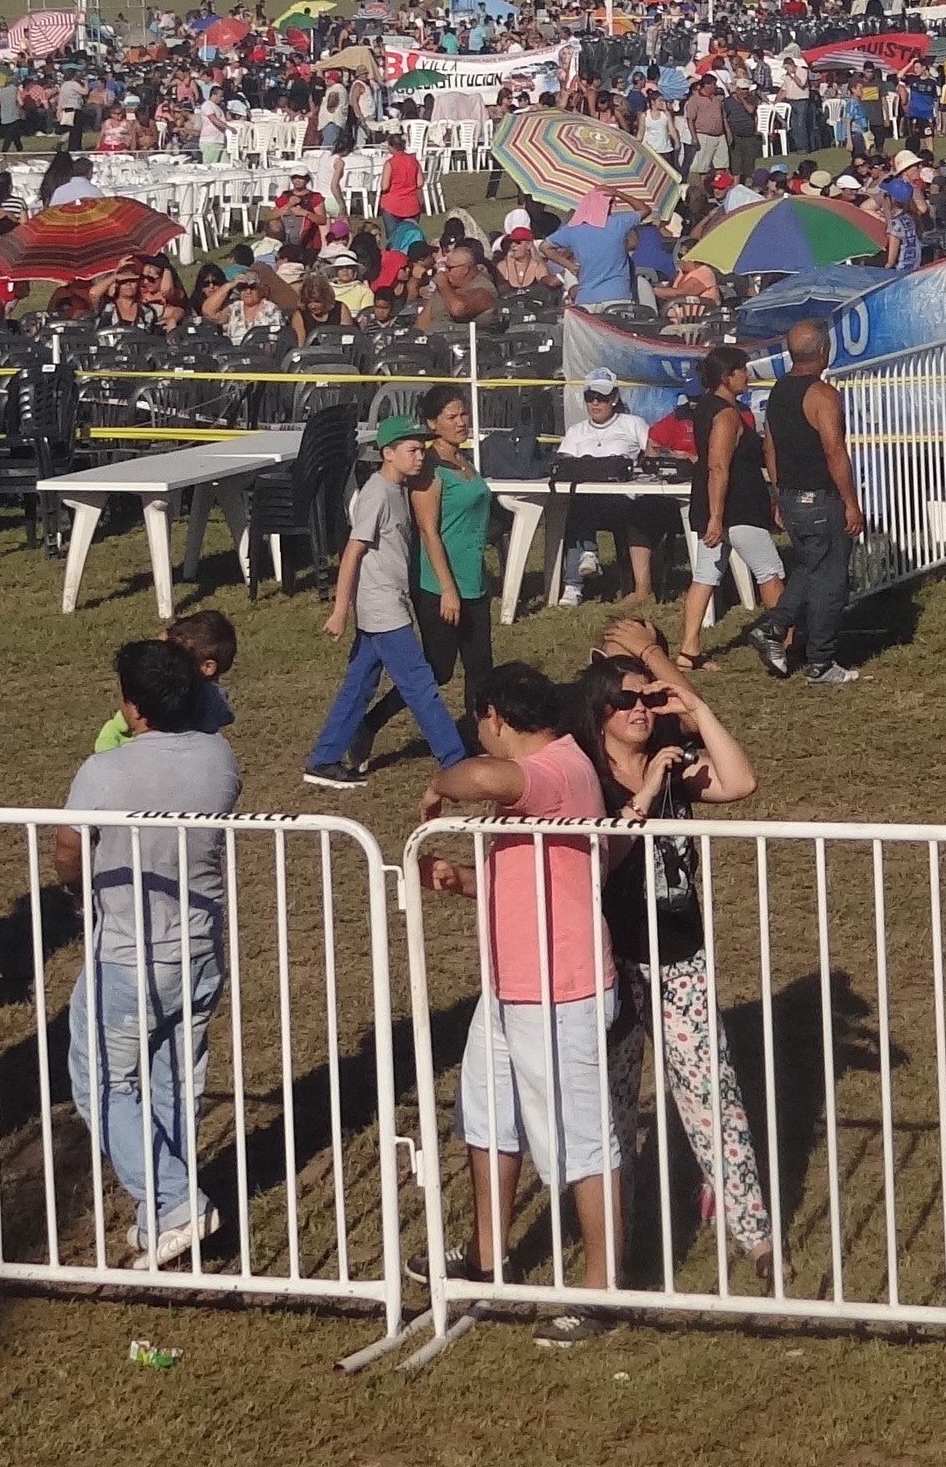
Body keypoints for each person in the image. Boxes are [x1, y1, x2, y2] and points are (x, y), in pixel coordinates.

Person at [418, 662, 623, 1342]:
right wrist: (462, 880)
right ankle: (487, 1257)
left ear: (494, 717)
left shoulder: (556, 768)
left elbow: (479, 779)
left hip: (561, 989)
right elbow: (539, 872)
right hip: (511, 986)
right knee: (486, 1118)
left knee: (581, 1139)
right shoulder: (551, 776)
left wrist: (438, 783)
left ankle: (602, 1289)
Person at [579, 621, 771, 1277]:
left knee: (713, 1093)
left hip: (680, 954)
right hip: (613, 960)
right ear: (599, 710)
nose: (640, 709)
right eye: (626, 700)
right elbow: (598, 852)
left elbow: (740, 782)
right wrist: (641, 794)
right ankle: (617, 1250)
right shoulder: (587, 779)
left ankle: (756, 1236)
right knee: (614, 1108)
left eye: (647, 699)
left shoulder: (672, 762)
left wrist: (694, 707)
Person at [57, 637, 243, 1265]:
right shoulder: (220, 759)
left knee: (102, 1083)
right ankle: (163, 1213)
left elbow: (66, 849)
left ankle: (173, 1201)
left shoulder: (104, 770)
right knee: (174, 1081)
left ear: (132, 707)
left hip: (129, 953)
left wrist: (76, 888)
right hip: (199, 947)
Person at [302, 419, 470, 788]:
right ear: (388, 454)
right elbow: (352, 553)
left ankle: (323, 759)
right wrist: (340, 611)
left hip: (390, 601)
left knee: (359, 685)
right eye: (412, 450)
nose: (420, 456)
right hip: (382, 607)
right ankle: (455, 760)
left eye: (421, 449)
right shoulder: (376, 494)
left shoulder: (398, 489)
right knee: (420, 684)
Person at [763, 317, 865, 685]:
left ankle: (773, 626)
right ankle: (821, 661)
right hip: (821, 499)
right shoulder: (822, 395)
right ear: (824, 350)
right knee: (831, 581)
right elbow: (835, 451)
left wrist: (779, 494)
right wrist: (850, 502)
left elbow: (770, 446)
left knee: (811, 567)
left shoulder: (778, 391)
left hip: (791, 496)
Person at [678, 344, 783, 664]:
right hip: (736, 508)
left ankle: (688, 649)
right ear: (727, 376)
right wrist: (716, 516)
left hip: (717, 506)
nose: (747, 376)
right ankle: (783, 640)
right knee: (770, 572)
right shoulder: (725, 414)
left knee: (705, 575)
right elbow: (718, 466)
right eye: (742, 370)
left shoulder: (708, 407)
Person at [405, 386, 498, 701]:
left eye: (464, 414)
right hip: (438, 585)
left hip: (474, 582)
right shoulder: (429, 469)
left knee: (481, 669)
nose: (461, 422)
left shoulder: (462, 459)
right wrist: (447, 590)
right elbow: (427, 531)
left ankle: (478, 729)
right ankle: (372, 721)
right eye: (452, 417)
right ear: (433, 423)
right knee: (438, 669)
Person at [549, 370, 660, 605]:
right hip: (585, 500)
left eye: (602, 397)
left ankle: (582, 566)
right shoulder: (576, 431)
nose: (596, 403)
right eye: (590, 397)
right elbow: (565, 465)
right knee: (576, 504)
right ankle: (574, 583)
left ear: (614, 398)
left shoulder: (633, 424)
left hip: (624, 502)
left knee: (583, 504)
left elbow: (653, 453)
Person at [543, 185, 648, 316]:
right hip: (617, 296)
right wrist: (618, 193)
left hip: (586, 299)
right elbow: (644, 209)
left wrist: (569, 265)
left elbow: (544, 247)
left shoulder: (573, 229)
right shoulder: (618, 223)